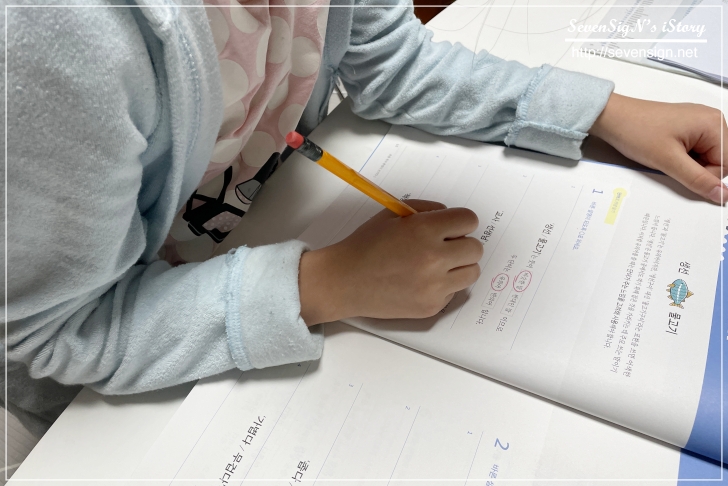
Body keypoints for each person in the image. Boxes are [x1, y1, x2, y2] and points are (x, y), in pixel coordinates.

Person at [3, 0, 726, 437]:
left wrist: (602, 111)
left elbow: (395, 65)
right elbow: (61, 330)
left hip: (255, 226)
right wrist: (327, 283)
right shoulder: (50, 38)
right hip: (113, 389)